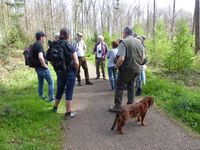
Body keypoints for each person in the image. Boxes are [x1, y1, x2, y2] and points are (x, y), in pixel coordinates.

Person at [109, 27, 144, 112]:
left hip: (126, 69)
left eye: (123, 33)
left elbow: (121, 58)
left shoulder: (124, 42)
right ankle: (130, 106)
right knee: (131, 86)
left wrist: (116, 67)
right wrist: (137, 64)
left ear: (124, 33)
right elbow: (143, 58)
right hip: (137, 69)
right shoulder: (140, 42)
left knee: (119, 86)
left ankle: (117, 107)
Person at [52, 28, 79, 119]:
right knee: (69, 91)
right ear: (68, 35)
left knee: (59, 90)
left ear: (60, 35)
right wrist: (76, 70)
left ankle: (55, 108)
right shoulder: (70, 46)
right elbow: (76, 62)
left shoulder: (55, 45)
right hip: (70, 72)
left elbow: (51, 59)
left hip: (60, 72)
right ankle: (68, 113)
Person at [32, 31, 54, 102]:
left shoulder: (35, 44)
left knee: (41, 82)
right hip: (42, 68)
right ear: (41, 37)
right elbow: (40, 57)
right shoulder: (39, 45)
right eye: (44, 37)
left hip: (37, 68)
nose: (44, 38)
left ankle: (41, 96)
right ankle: (51, 99)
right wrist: (45, 65)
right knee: (51, 83)